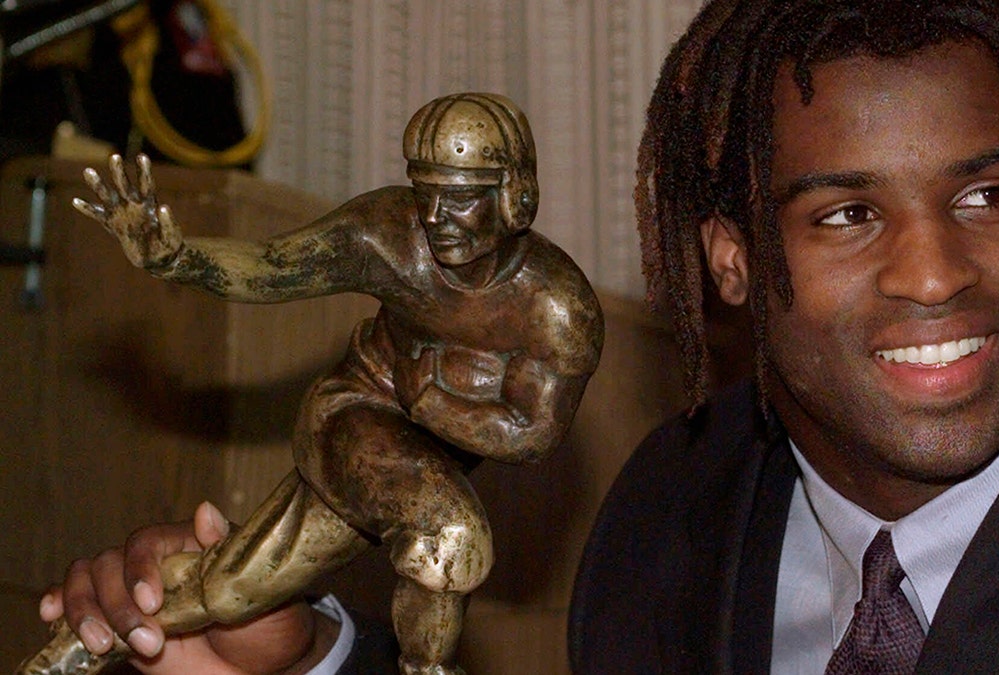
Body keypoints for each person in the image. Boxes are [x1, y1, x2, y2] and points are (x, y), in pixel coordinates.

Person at [32, 1, 999, 673]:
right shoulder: (668, 517)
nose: (936, 271)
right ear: (732, 260)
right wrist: (295, 663)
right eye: (846, 214)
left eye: (989, 196)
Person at [23, 92, 603, 675]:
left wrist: (430, 401)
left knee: (232, 591)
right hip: (354, 413)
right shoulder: (388, 236)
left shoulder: (556, 309)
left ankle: (85, 641)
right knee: (449, 535)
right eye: (425, 193)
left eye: (458, 199)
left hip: (417, 451)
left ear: (513, 197)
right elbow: (273, 266)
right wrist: (178, 259)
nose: (433, 217)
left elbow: (531, 435)